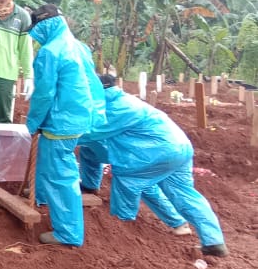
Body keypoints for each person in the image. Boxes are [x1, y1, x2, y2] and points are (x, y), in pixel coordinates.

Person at [78, 74, 228, 256]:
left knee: (128, 179)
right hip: (179, 148)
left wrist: (52, 135)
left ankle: (120, 230)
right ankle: (212, 241)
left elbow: (91, 132)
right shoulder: (122, 100)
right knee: (183, 193)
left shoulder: (115, 107)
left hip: (156, 152)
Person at [25, 4, 104, 247]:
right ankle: (39, 195)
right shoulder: (79, 46)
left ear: (45, 25)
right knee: (52, 166)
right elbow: (93, 83)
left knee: (60, 175)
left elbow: (44, 94)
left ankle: (68, 234)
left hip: (61, 121)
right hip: (80, 116)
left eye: (36, 27)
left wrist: (32, 122)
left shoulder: (50, 52)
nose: (34, 33)